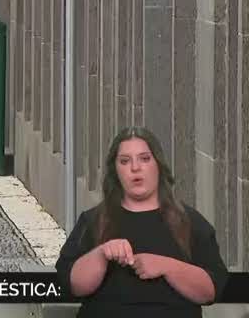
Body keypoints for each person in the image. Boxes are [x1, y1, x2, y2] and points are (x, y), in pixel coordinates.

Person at [55, 128, 228, 317]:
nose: (135, 168)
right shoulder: (94, 221)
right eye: (125, 161)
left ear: (158, 165)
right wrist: (101, 254)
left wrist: (166, 266)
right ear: (115, 171)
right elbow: (73, 285)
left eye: (144, 159)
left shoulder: (189, 222)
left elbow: (210, 291)